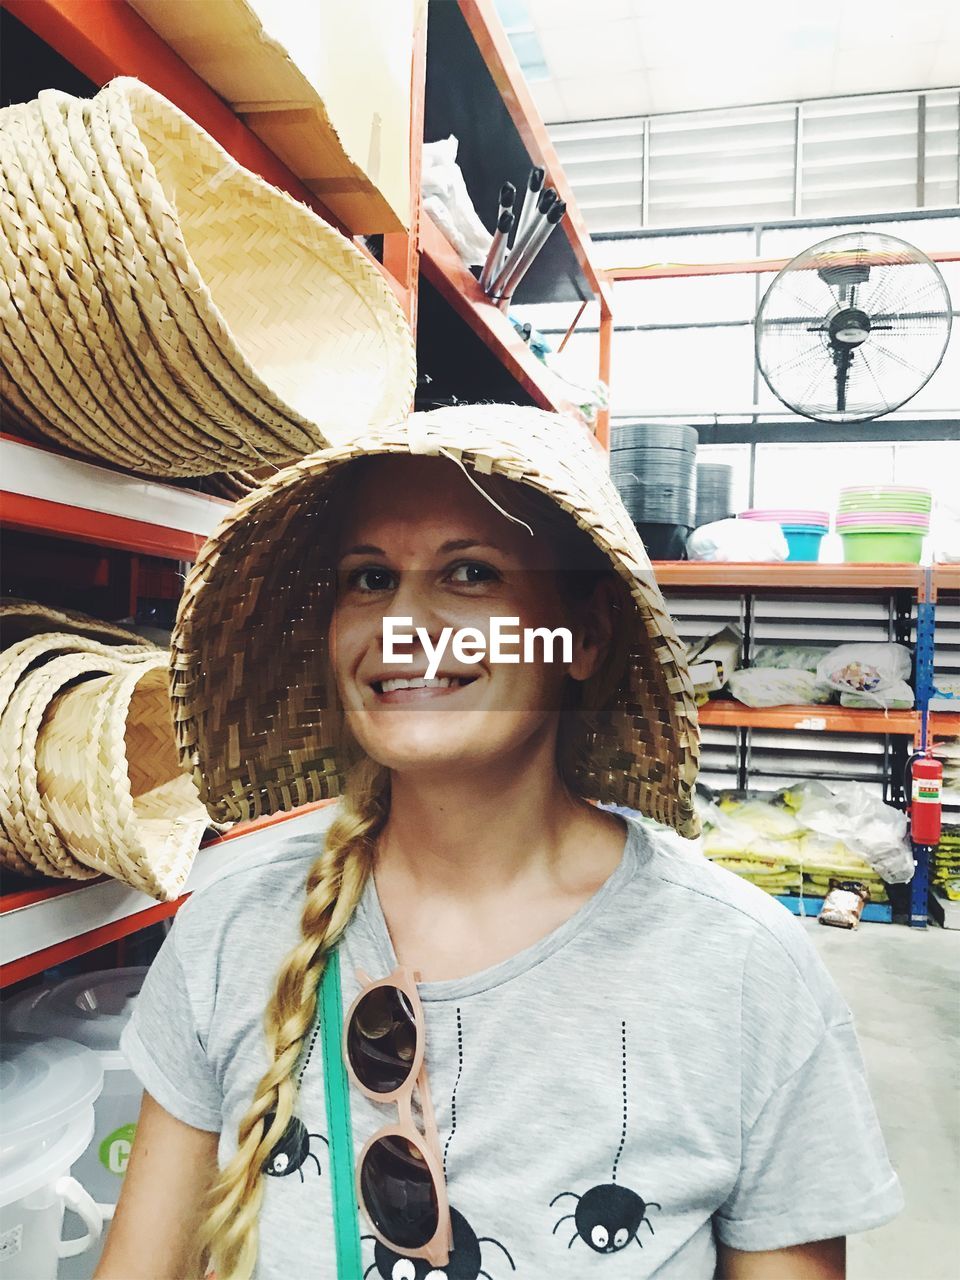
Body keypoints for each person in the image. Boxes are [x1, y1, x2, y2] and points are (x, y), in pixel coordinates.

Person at [97, 406, 902, 1280]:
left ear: (583, 636)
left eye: (470, 572)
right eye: (368, 579)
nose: (400, 625)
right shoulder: (231, 931)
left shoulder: (742, 972)